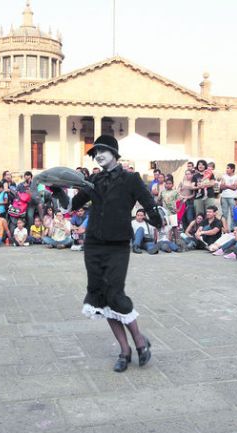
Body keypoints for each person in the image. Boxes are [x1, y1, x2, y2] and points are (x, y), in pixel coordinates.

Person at [48, 135, 161, 372]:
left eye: (103, 151)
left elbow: (148, 202)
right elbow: (71, 206)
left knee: (115, 292)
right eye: (95, 152)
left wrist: (156, 218)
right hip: (94, 244)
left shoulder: (131, 178)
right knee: (101, 295)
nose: (98, 155)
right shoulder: (93, 180)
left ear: (114, 153)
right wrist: (58, 191)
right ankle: (125, 350)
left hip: (118, 244)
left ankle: (140, 341)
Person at [219, 163, 237, 233]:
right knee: (224, 214)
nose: (226, 169)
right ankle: (225, 229)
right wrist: (230, 186)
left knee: (234, 214)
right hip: (224, 197)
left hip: (233, 197)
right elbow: (221, 187)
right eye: (227, 168)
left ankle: (233, 229)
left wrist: (226, 185)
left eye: (228, 168)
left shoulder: (236, 176)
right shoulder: (223, 176)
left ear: (232, 169)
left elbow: (235, 187)